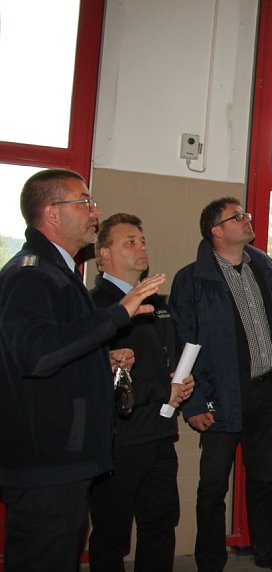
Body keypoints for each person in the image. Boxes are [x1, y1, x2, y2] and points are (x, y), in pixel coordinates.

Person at [0, 169, 166, 572]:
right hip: (46, 463)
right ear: (51, 213)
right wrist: (115, 317)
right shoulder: (32, 273)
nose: (96, 211)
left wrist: (100, 360)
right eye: (85, 202)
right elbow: (35, 355)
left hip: (60, 461)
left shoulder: (59, 272)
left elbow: (59, 348)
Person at [169, 197, 272, 572]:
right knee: (213, 487)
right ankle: (211, 562)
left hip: (264, 391)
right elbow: (182, 345)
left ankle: (268, 552)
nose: (247, 220)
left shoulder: (265, 268)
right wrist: (194, 404)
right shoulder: (192, 279)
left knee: (263, 479)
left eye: (245, 214)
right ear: (217, 231)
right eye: (237, 217)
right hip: (219, 398)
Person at [87, 213, 195, 571]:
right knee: (111, 534)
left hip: (160, 434)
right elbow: (91, 370)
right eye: (129, 241)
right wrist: (163, 386)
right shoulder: (95, 305)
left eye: (142, 240)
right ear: (104, 254)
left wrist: (179, 383)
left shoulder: (157, 303)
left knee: (160, 524)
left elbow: (164, 361)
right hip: (119, 440)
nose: (140, 246)